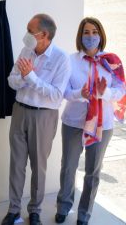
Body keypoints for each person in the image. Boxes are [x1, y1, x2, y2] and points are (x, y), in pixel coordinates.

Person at [1, 14, 71, 225]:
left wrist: (30, 77)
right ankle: (13, 210)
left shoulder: (61, 58)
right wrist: (24, 77)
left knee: (38, 166)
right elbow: (11, 81)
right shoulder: (26, 51)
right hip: (20, 110)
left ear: (44, 35)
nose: (26, 35)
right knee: (16, 164)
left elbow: (56, 95)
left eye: (30, 31)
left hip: (44, 116)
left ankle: (35, 211)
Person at [55, 17, 126, 225]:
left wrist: (103, 93)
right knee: (68, 167)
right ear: (80, 35)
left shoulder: (112, 61)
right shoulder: (70, 61)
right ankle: (63, 206)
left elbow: (121, 90)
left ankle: (84, 214)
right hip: (73, 122)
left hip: (103, 124)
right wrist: (81, 93)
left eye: (95, 32)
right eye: (86, 32)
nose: (91, 36)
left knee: (93, 171)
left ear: (101, 35)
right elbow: (64, 92)